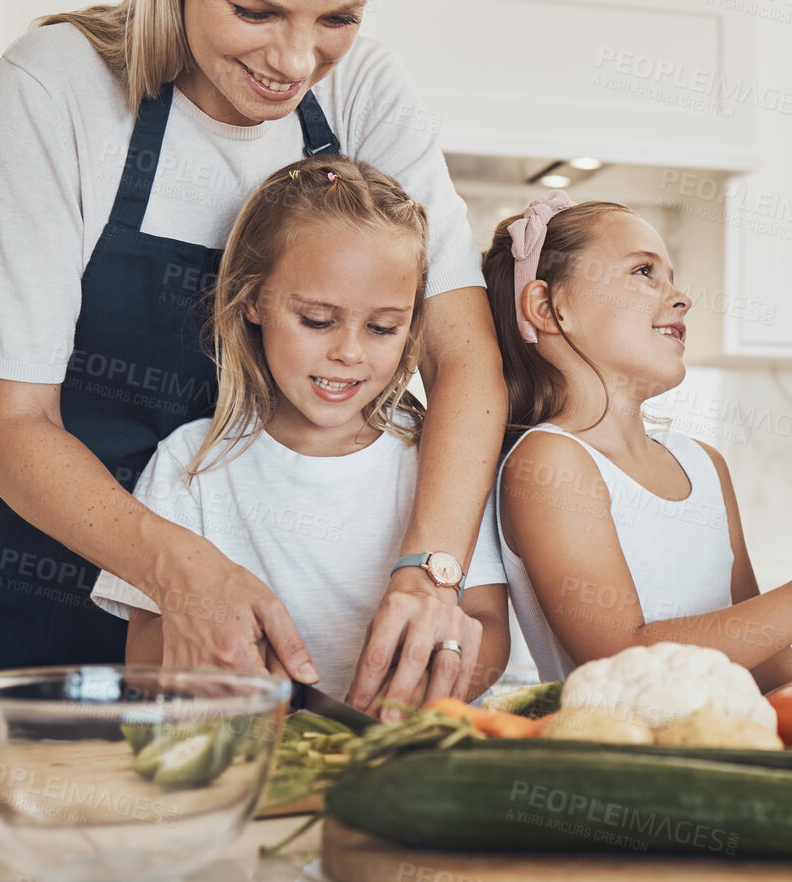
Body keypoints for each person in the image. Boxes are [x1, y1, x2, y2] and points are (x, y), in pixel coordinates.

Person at [0, 0, 506, 710]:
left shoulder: (365, 93)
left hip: (295, 657)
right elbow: (13, 428)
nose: (295, 61)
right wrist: (181, 572)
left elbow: (466, 356)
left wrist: (429, 567)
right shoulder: (58, 90)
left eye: (336, 18)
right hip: (61, 617)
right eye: (257, 10)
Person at [89, 158, 510, 703]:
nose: (350, 353)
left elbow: (486, 625)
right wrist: (230, 677)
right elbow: (146, 648)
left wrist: (425, 694)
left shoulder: (438, 465)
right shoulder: (189, 463)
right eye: (317, 319)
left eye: (383, 327)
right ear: (252, 301)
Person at [481, 193, 792, 687]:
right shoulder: (551, 460)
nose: (681, 296)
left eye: (670, 276)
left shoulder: (702, 465)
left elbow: (760, 652)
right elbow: (619, 660)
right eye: (643, 272)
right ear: (549, 308)